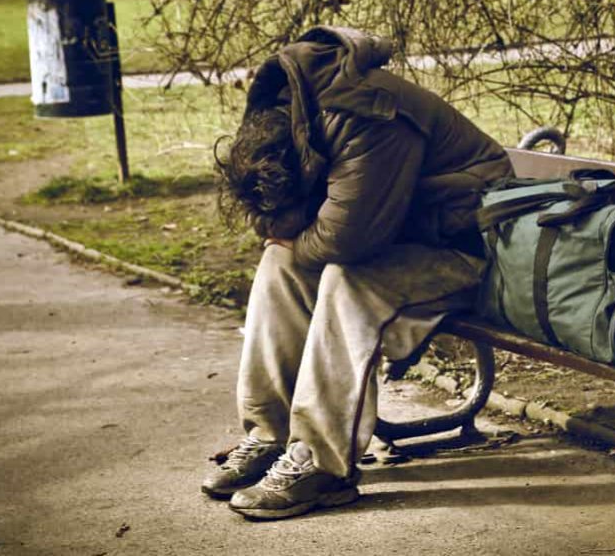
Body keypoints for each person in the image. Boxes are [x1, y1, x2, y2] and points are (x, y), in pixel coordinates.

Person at [204, 26, 512, 520]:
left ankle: (321, 465)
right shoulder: (285, 107)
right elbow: (281, 222)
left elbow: (347, 239)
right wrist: (280, 229)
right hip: (409, 239)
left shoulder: (368, 117)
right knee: (279, 262)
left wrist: (293, 230)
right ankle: (271, 433)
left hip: (473, 250)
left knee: (348, 281)